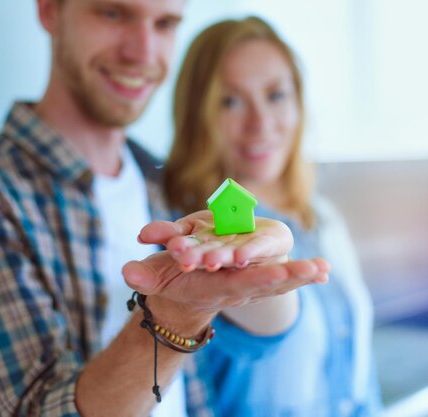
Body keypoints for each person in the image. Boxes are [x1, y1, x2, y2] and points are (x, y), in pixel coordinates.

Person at [0, 1, 330, 416]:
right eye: (113, 13)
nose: (142, 52)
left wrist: (265, 270)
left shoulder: (168, 189)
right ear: (51, 11)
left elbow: (258, 343)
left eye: (164, 24)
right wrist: (177, 314)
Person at [164, 16, 382, 416]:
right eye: (229, 101)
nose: (259, 122)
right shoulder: (203, 240)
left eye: (276, 95)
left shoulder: (322, 218)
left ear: (298, 103)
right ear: (197, 114)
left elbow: (360, 380)